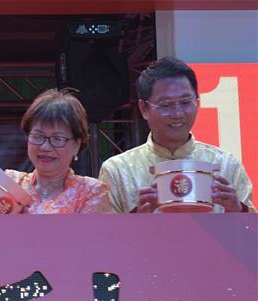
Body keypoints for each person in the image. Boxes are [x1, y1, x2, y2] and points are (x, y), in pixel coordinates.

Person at [99, 56, 252, 213]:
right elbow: (105, 236)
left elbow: (251, 234)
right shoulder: (118, 170)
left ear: (197, 103)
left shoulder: (225, 165)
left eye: (186, 102)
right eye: (166, 105)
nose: (177, 113)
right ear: (144, 108)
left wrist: (238, 211)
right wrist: (138, 221)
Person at [0, 89, 109, 214]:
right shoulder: (8, 181)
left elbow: (90, 244)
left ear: (77, 144)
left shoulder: (91, 191)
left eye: (57, 139)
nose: (45, 147)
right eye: (38, 136)